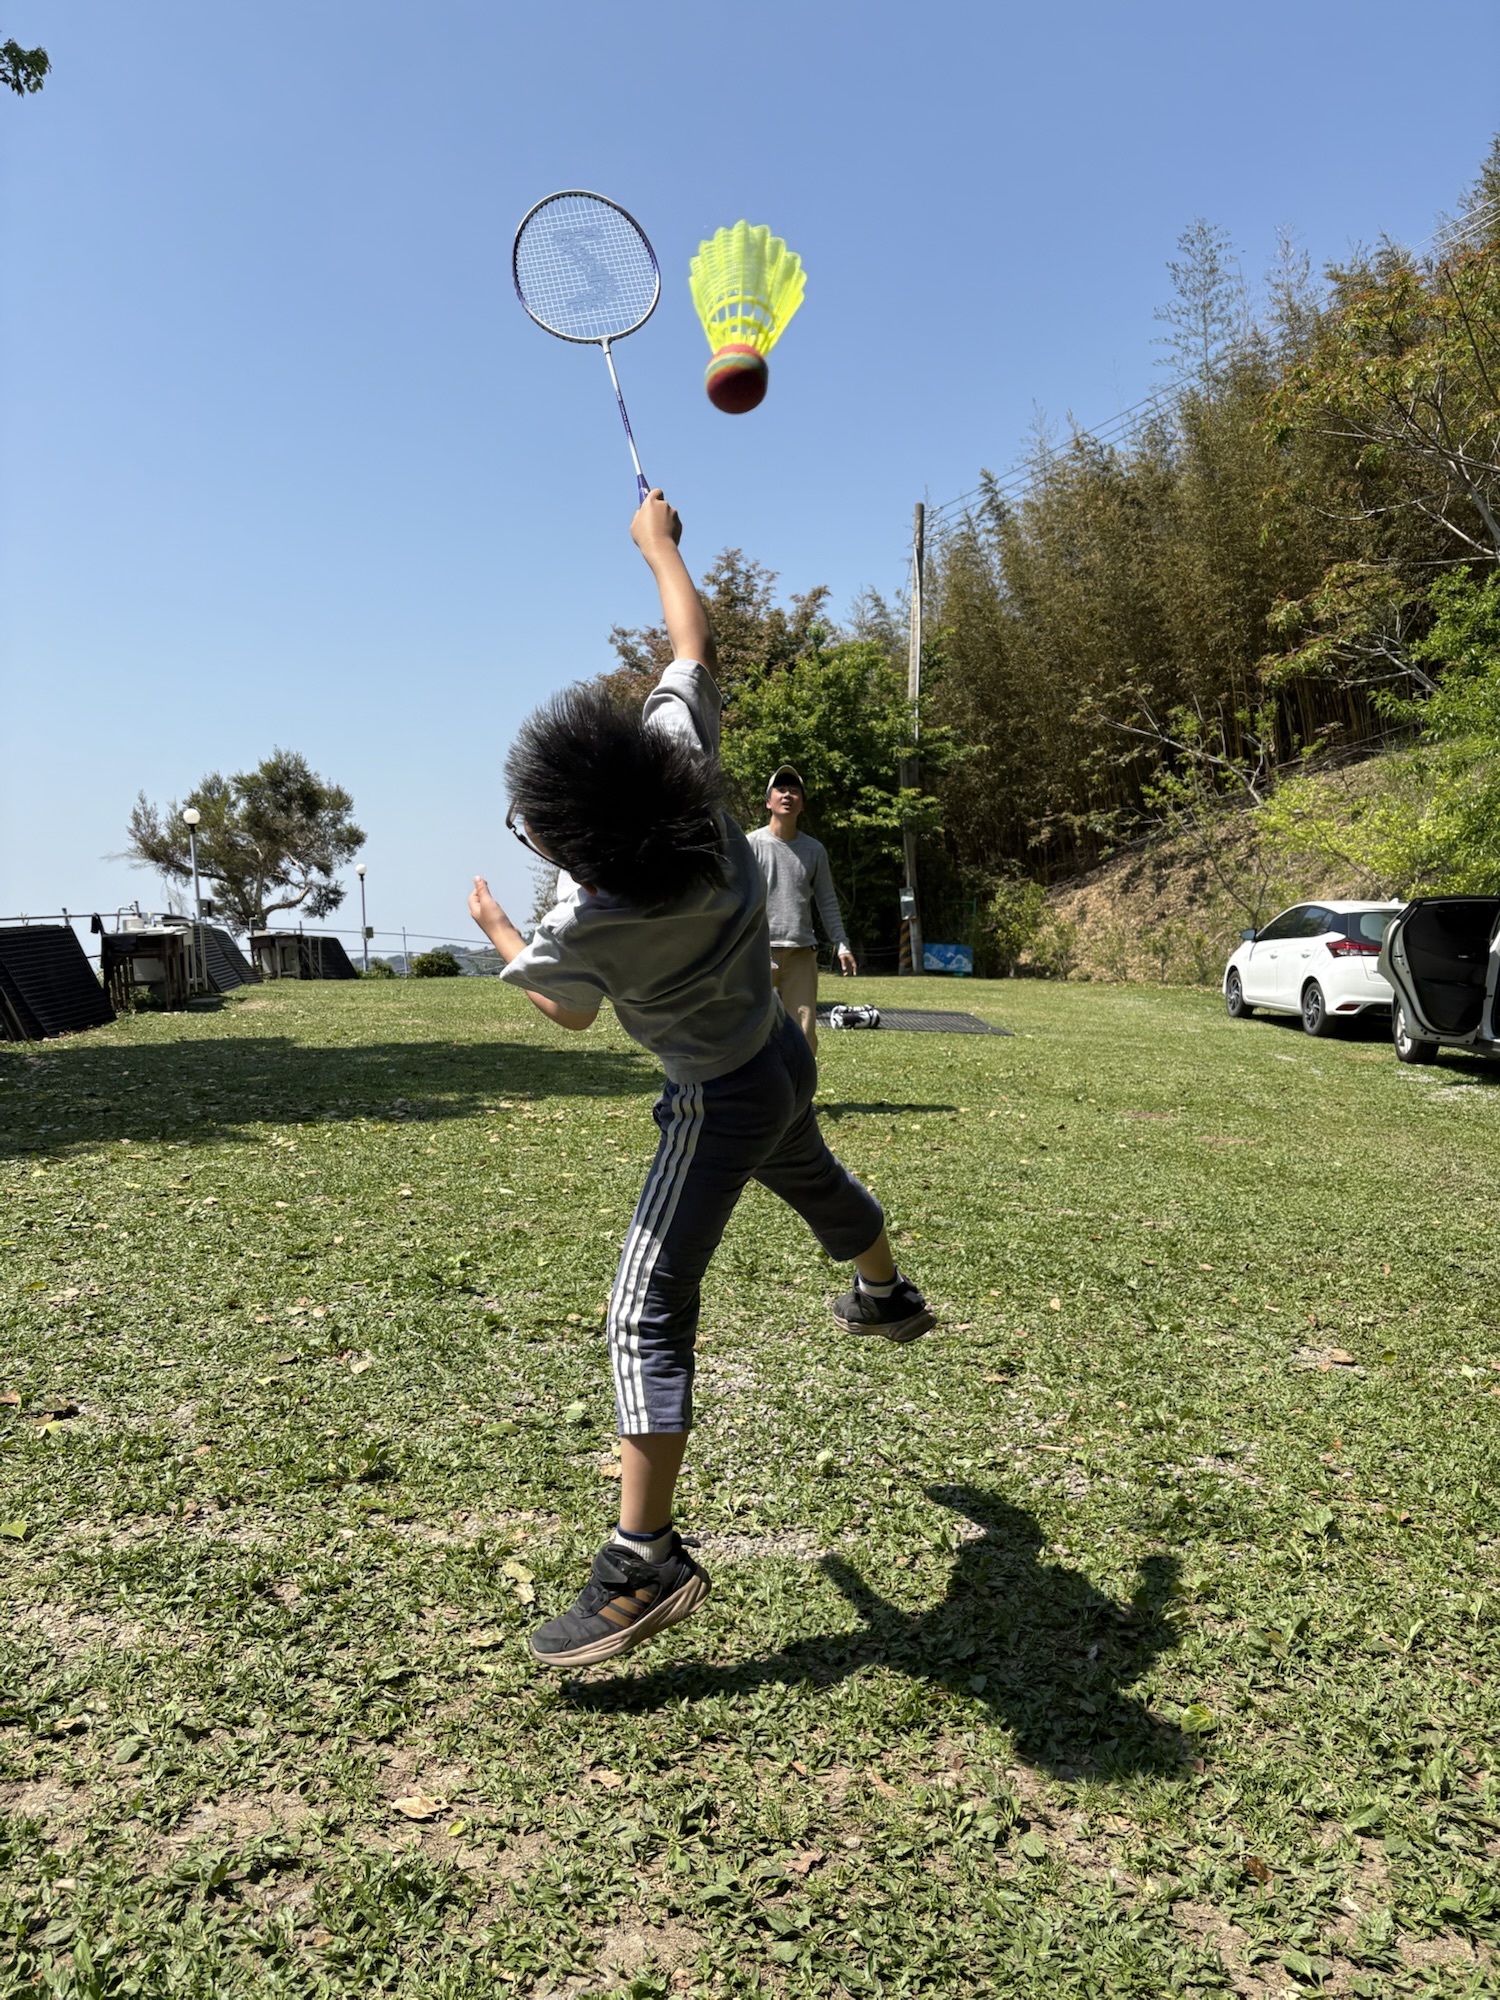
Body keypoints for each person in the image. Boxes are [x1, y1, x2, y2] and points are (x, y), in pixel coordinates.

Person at [467, 489, 937, 1672]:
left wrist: (493, 932)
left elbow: (566, 1013)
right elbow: (689, 643)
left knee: (645, 1304)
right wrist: (659, 544)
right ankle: (886, 1293)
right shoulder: (682, 767)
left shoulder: (584, 917)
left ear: (575, 847)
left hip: (712, 1091)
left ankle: (643, 1559)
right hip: (776, 1052)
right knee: (822, 1183)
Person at [747, 770, 855, 1055]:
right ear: (768, 801)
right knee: (752, 1028)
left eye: (794, 791)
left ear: (802, 804)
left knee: (803, 1030)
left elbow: (827, 900)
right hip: (759, 951)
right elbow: (736, 897)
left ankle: (802, 1098)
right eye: (780, 789)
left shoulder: (814, 850)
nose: (787, 795)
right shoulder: (751, 845)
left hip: (801, 953)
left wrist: (841, 943)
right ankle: (754, 1097)